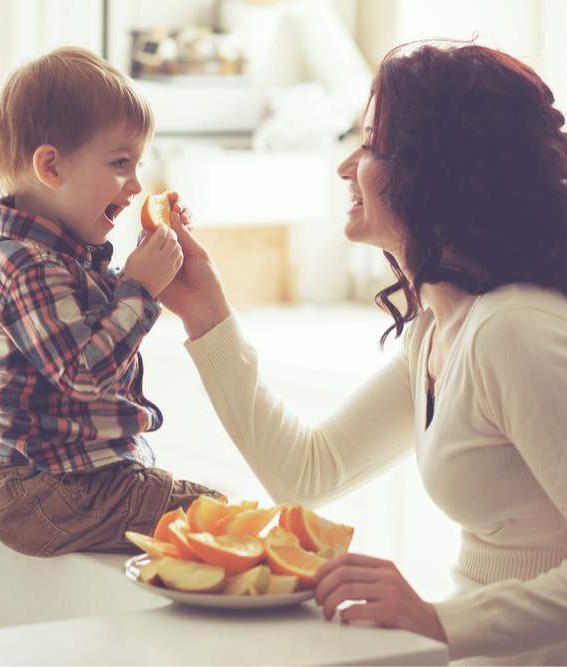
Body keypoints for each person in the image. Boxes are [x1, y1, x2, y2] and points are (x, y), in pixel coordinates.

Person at [160, 42, 567, 665]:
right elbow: (306, 473)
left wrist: (437, 619)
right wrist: (205, 315)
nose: (345, 166)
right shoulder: (437, 332)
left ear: (433, 171)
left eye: (372, 145)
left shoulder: (513, 331)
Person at [0, 47, 222, 559]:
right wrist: (139, 289)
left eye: (138, 165)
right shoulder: (27, 266)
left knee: (214, 521)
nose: (136, 186)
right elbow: (84, 372)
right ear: (51, 167)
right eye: (120, 164)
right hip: (42, 490)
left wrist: (149, 268)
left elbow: (93, 331)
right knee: (218, 520)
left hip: (68, 481)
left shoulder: (60, 257)